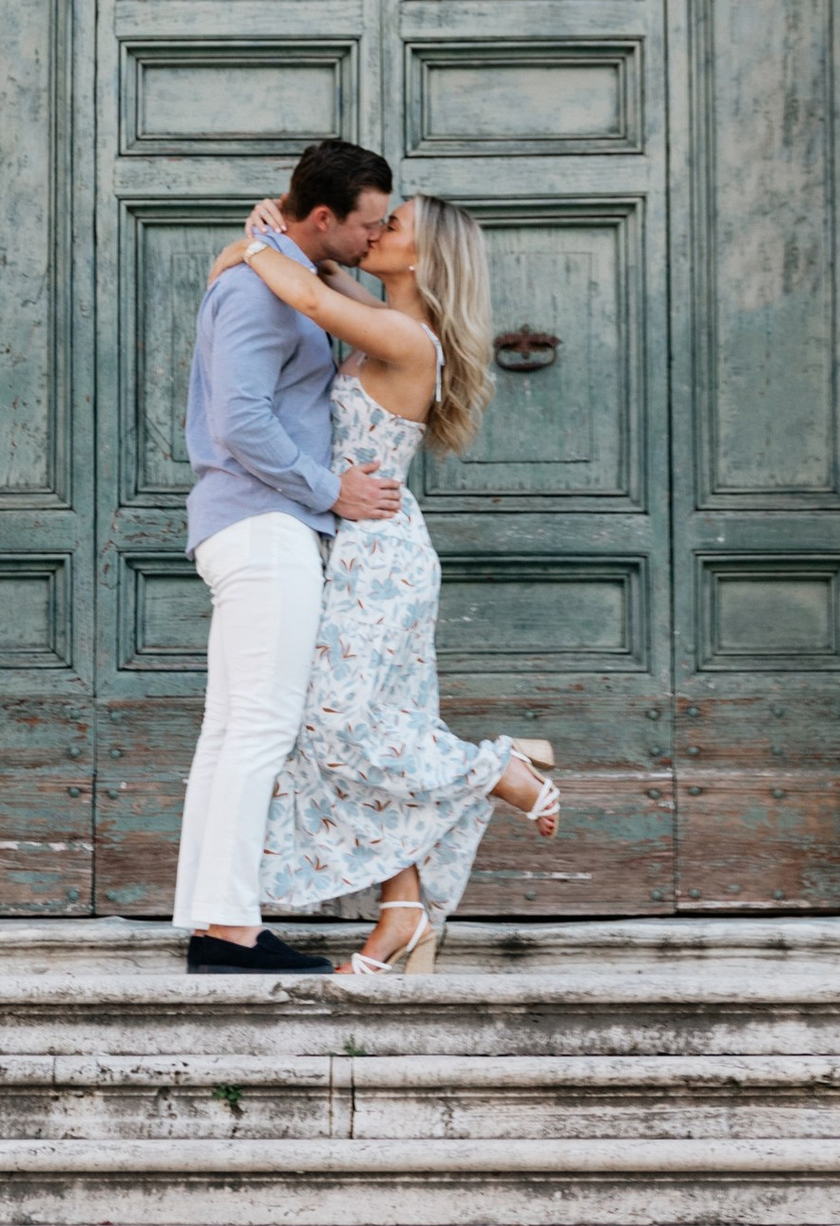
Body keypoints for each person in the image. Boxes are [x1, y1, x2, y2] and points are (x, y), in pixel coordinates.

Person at [217, 186, 563, 979]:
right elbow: (309, 273)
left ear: (424, 255)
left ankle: (500, 772)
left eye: (393, 225)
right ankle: (401, 912)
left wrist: (253, 245)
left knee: (341, 727)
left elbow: (300, 286)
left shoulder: (407, 336)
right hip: (360, 549)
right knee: (356, 726)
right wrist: (265, 230)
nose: (374, 232)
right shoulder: (383, 315)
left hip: (378, 560)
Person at [173, 136, 404, 977]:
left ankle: (212, 921)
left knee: (231, 729)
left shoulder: (281, 281)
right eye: (368, 225)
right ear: (321, 217)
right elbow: (239, 421)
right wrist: (327, 488)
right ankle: (231, 929)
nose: (375, 240)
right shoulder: (257, 294)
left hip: (257, 523)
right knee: (258, 728)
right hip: (264, 524)